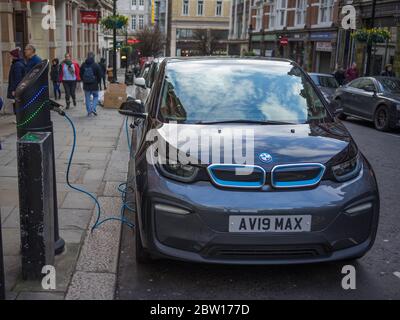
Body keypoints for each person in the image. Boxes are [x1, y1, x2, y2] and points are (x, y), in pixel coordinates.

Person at [80, 52, 102, 117]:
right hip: (94, 84)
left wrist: (84, 80)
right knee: (96, 96)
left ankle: (89, 111)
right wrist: (98, 82)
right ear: (94, 57)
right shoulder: (96, 65)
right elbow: (99, 75)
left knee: (87, 98)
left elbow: (80, 73)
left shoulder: (83, 65)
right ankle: (94, 109)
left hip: (86, 85)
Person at [7, 48, 26, 120]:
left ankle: (19, 118)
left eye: (11, 55)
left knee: (16, 104)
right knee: (17, 103)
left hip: (16, 88)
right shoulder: (18, 63)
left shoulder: (17, 65)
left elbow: (17, 78)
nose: (10, 57)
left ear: (14, 56)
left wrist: (14, 89)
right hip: (17, 88)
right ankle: (19, 118)